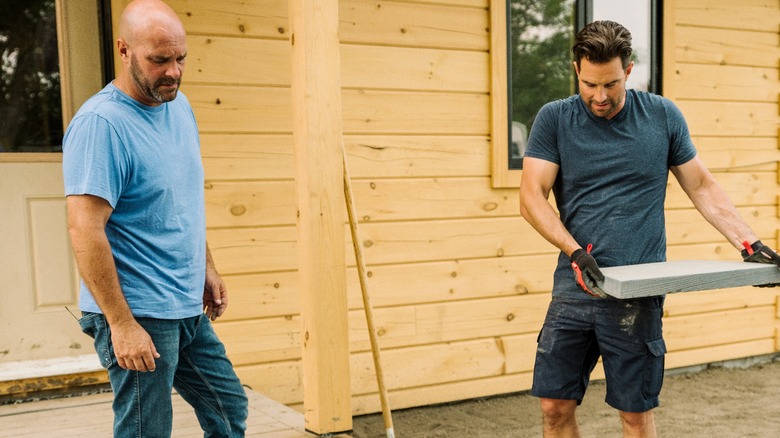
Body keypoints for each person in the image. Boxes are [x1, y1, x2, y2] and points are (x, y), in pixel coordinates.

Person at [519, 20, 780, 438]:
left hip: (636, 295)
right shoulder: (555, 120)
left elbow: (701, 185)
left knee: (634, 413)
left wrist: (747, 241)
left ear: (628, 70)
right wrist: (574, 252)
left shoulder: (661, 116)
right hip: (574, 288)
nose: (599, 97)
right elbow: (531, 197)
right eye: (589, 84)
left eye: (609, 84)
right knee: (553, 406)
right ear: (576, 70)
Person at [62, 0, 248, 436]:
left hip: (184, 305)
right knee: (148, 429)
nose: (174, 72)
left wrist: (207, 265)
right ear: (124, 51)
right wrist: (121, 325)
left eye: (181, 58)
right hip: (138, 310)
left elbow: (180, 197)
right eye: (159, 60)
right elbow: (84, 228)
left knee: (228, 408)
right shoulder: (101, 124)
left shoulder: (178, 108)